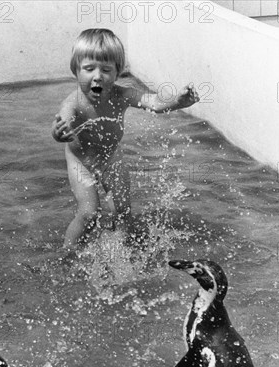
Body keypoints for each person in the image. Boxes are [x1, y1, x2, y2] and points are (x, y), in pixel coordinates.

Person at [52, 28, 199, 251]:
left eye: (106, 69)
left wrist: (177, 103)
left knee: (122, 210)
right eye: (89, 69)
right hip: (81, 163)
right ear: (76, 70)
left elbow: (153, 102)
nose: (97, 76)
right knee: (89, 213)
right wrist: (58, 133)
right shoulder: (73, 103)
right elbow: (61, 121)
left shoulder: (122, 95)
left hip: (110, 157)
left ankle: (123, 250)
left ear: (118, 72)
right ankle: (68, 252)